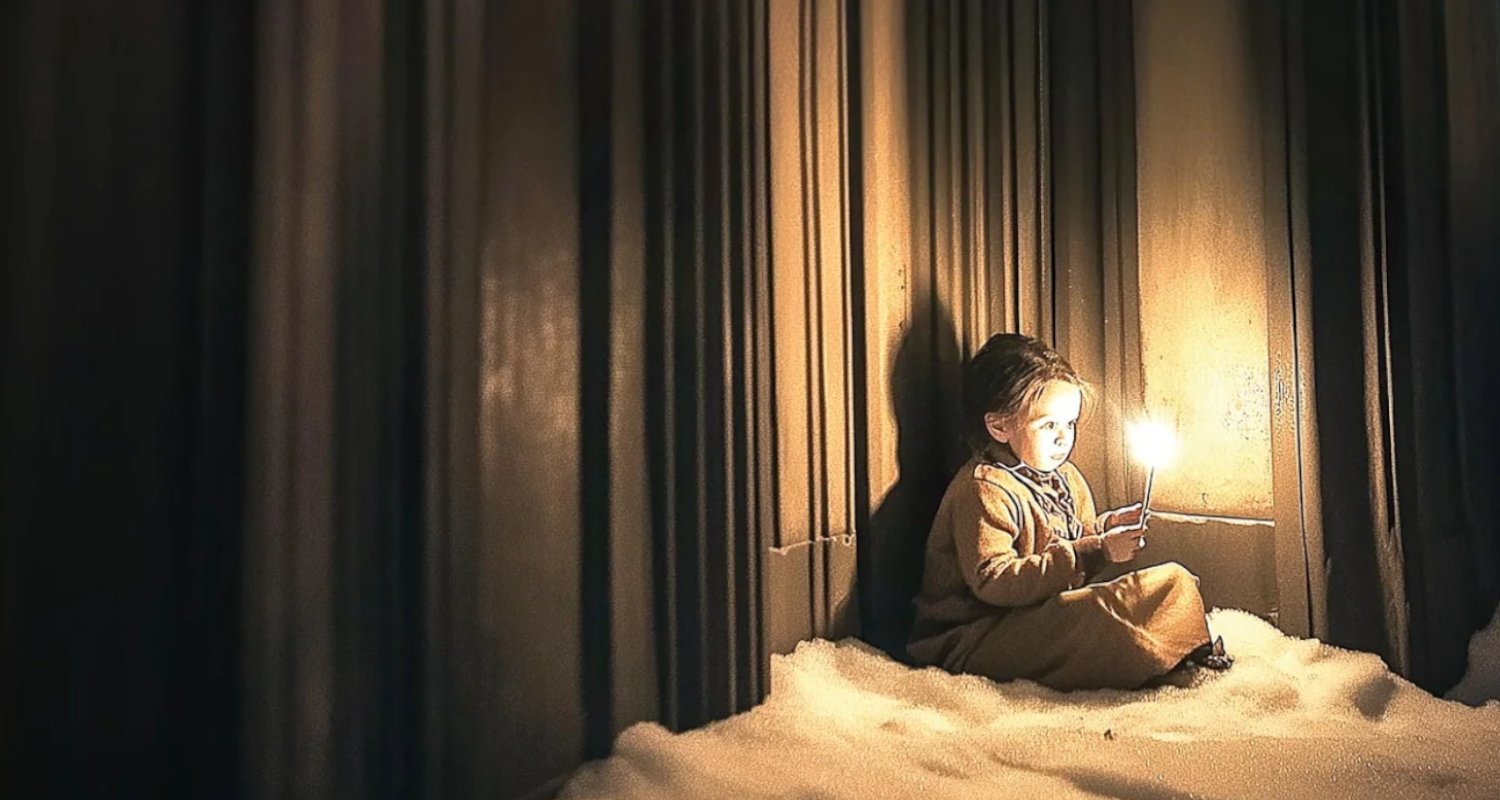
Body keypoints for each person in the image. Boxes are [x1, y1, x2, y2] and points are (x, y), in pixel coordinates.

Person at [907, 332, 1231, 691]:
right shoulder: (984, 489)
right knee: (1100, 619)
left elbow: (1073, 535)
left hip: (1041, 614)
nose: (1064, 438)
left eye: (1070, 424)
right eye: (1049, 426)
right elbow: (995, 582)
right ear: (999, 426)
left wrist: (1106, 527)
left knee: (1174, 579)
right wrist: (1098, 550)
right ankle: (1158, 658)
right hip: (980, 635)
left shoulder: (1066, 478)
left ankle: (1179, 650)